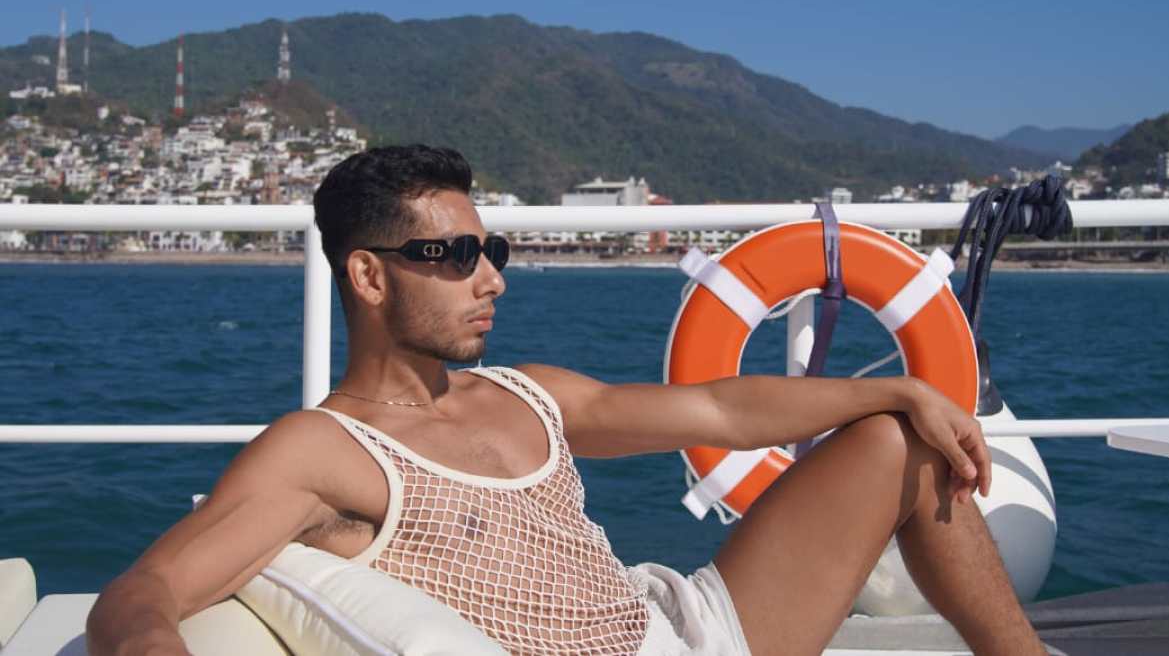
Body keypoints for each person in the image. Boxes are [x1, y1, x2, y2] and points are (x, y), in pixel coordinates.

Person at [87, 144, 1046, 656]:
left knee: (899, 439)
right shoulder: (323, 450)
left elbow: (718, 411)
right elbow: (144, 591)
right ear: (370, 279)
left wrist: (907, 388)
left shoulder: (525, 392)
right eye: (454, 257)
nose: (490, 279)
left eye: (490, 252)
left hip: (686, 627)